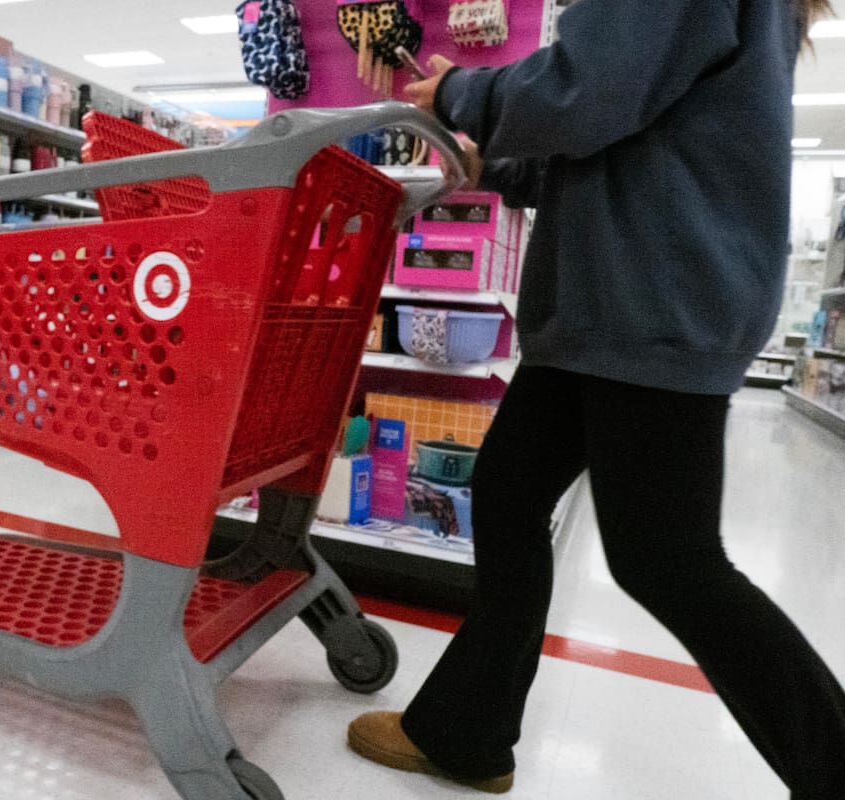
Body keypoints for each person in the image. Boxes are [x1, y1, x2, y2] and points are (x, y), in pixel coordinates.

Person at [346, 0, 845, 796]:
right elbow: (633, 130)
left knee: (667, 559)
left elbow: (587, 91)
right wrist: (500, 165)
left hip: (651, 299)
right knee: (508, 494)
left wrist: (462, 93)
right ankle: (467, 732)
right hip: (615, 297)